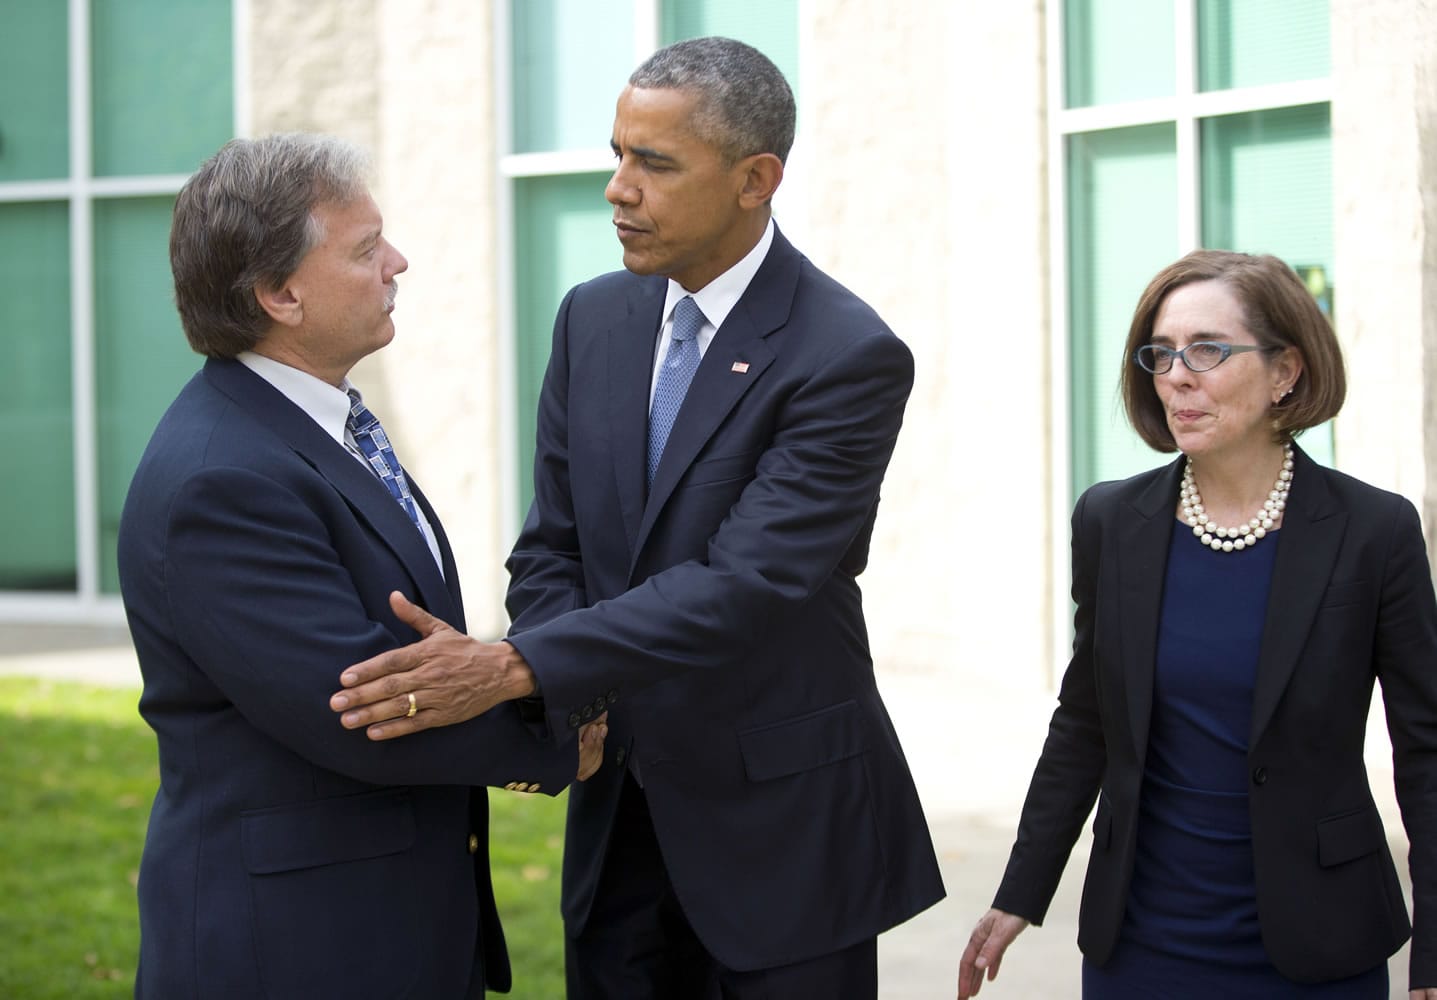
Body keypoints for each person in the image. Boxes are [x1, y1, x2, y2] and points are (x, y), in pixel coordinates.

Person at [328, 36, 944, 999]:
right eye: (617, 154)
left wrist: (512, 669)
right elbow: (552, 549)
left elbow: (748, 584)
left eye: (652, 163)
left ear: (755, 178)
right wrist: (562, 706)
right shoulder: (592, 318)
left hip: (781, 840)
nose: (618, 188)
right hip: (616, 821)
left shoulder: (846, 353)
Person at [117, 133, 604, 1000]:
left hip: (386, 923)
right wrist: (567, 738)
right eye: (365, 249)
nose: (398, 263)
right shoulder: (220, 479)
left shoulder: (314, 425)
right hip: (297, 950)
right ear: (278, 294)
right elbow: (361, 709)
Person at [956, 250, 1437, 999]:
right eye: (1160, 353)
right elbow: (1085, 721)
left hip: (1317, 944)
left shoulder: (1372, 530)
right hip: (1143, 941)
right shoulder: (1113, 520)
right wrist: (1023, 888)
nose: (1177, 374)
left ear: (1287, 371)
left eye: (1208, 350)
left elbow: (1426, 749)